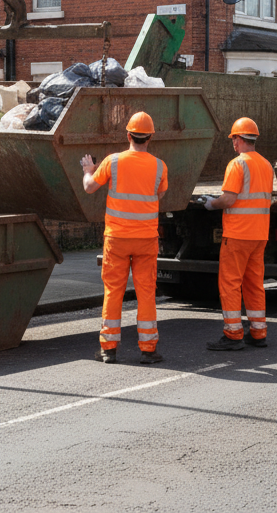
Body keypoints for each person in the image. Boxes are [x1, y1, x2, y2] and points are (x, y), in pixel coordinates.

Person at [81, 111, 168, 365]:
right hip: (146, 240)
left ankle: (108, 349)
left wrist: (88, 170)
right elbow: (158, 195)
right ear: (150, 137)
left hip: (117, 239)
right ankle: (148, 349)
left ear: (128, 135)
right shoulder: (160, 166)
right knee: (146, 293)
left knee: (113, 291)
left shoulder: (113, 162)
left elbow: (89, 187)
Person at [201, 117, 273, 351]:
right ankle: (258, 332)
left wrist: (212, 204)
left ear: (239, 140)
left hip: (238, 234)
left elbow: (229, 199)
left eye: (233, 139)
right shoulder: (266, 165)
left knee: (231, 284)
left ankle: (233, 335)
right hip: (259, 234)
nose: (233, 143)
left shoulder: (237, 164)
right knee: (254, 284)